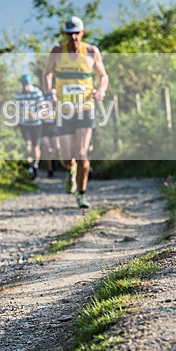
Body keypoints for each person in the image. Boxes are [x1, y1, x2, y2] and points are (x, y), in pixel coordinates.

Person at [41, 16, 109, 209]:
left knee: (81, 153)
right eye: (70, 34)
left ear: (83, 32)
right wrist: (48, 93)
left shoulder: (91, 51)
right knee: (65, 158)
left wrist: (101, 90)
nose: (73, 38)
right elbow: (46, 73)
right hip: (64, 110)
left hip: (86, 109)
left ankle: (81, 194)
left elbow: (103, 75)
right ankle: (70, 172)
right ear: (66, 34)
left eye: (76, 34)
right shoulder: (56, 52)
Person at [15, 74, 43, 179]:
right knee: (27, 145)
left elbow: (43, 107)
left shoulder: (37, 93)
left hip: (36, 124)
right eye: (23, 85)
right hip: (24, 124)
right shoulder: (19, 94)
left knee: (36, 147)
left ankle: (35, 166)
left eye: (26, 84)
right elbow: (17, 109)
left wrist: (36, 115)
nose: (25, 87)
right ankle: (28, 165)